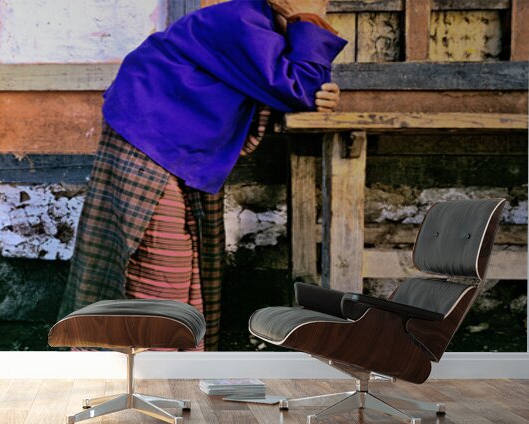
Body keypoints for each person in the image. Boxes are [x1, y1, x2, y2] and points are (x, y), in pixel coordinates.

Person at [58, 0, 346, 351]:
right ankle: (142, 359)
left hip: (170, 140)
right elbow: (297, 86)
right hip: (147, 132)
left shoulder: (267, 32)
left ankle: (179, 359)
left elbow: (302, 86)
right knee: (160, 254)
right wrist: (306, 23)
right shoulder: (242, 20)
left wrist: (318, 92)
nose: (321, 8)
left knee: (192, 251)